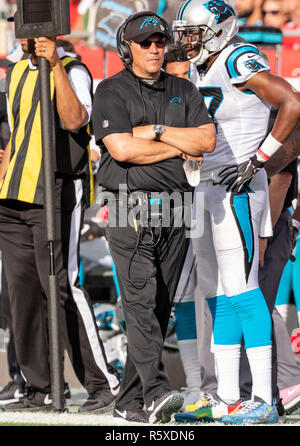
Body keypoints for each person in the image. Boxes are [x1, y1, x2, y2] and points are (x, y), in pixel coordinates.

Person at [172, 0, 300, 424]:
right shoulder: (202, 66)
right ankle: (226, 397)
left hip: (238, 189)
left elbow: (292, 102)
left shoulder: (238, 57)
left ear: (218, 30)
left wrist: (259, 159)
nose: (185, 40)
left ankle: (263, 399)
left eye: (193, 32)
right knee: (218, 296)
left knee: (244, 292)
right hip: (206, 188)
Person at [91, 11, 216, 423]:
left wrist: (156, 132)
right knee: (141, 300)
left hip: (178, 207)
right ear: (126, 47)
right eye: (145, 42)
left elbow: (207, 141)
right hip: (129, 205)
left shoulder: (183, 87)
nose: (155, 48)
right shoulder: (110, 89)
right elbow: (123, 150)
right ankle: (159, 390)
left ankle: (129, 402)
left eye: (160, 41)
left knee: (158, 305)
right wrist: (179, 145)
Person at [0, 35, 120, 413]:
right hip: (12, 195)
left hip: (57, 190)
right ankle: (40, 388)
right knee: (23, 293)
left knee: (62, 286)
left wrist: (54, 65)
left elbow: (74, 120)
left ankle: (103, 384)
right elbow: (18, 135)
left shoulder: (73, 70)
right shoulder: (15, 70)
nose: (23, 33)